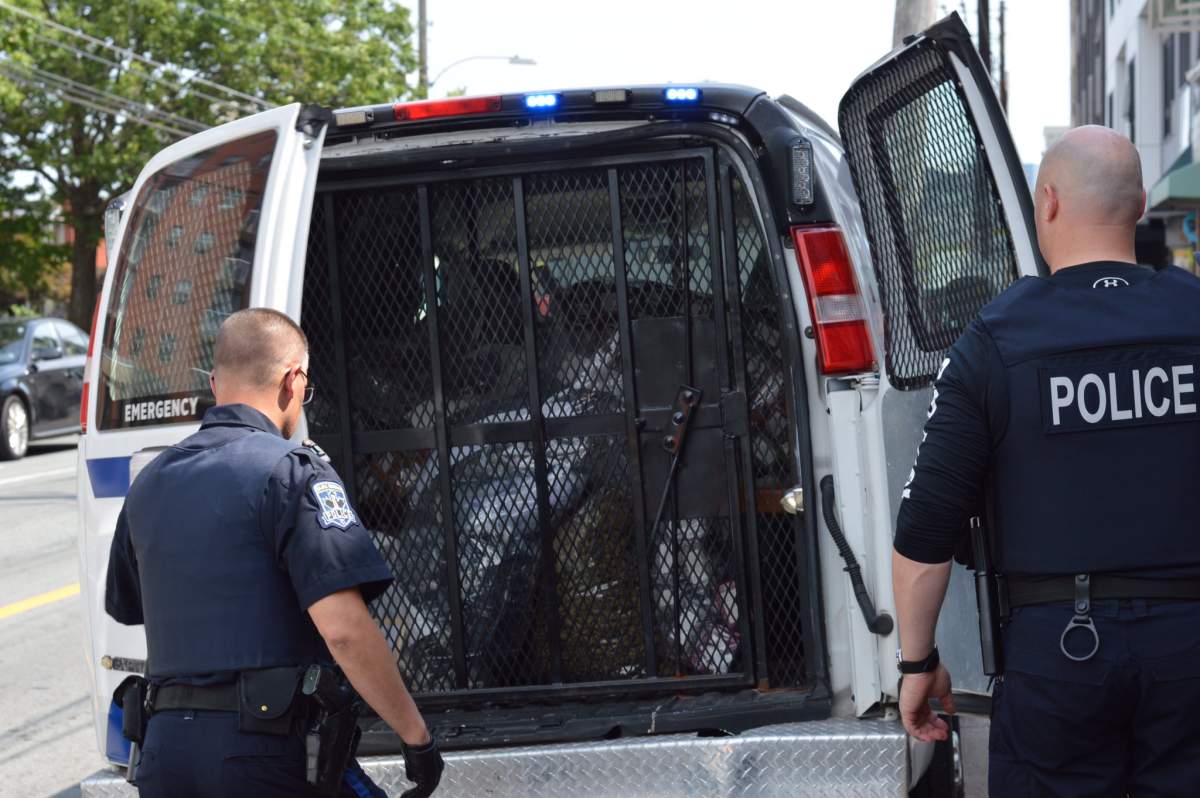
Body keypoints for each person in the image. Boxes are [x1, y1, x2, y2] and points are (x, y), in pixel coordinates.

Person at [892, 126, 1200, 797]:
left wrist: (918, 662)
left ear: (1048, 204)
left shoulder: (997, 340)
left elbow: (926, 526)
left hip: (1060, 655)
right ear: (1142, 202)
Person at [105, 308, 444, 798]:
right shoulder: (293, 472)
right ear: (294, 380)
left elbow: (129, 607)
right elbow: (345, 632)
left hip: (164, 758)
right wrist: (417, 739)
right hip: (263, 756)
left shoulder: (149, 483)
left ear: (217, 384)